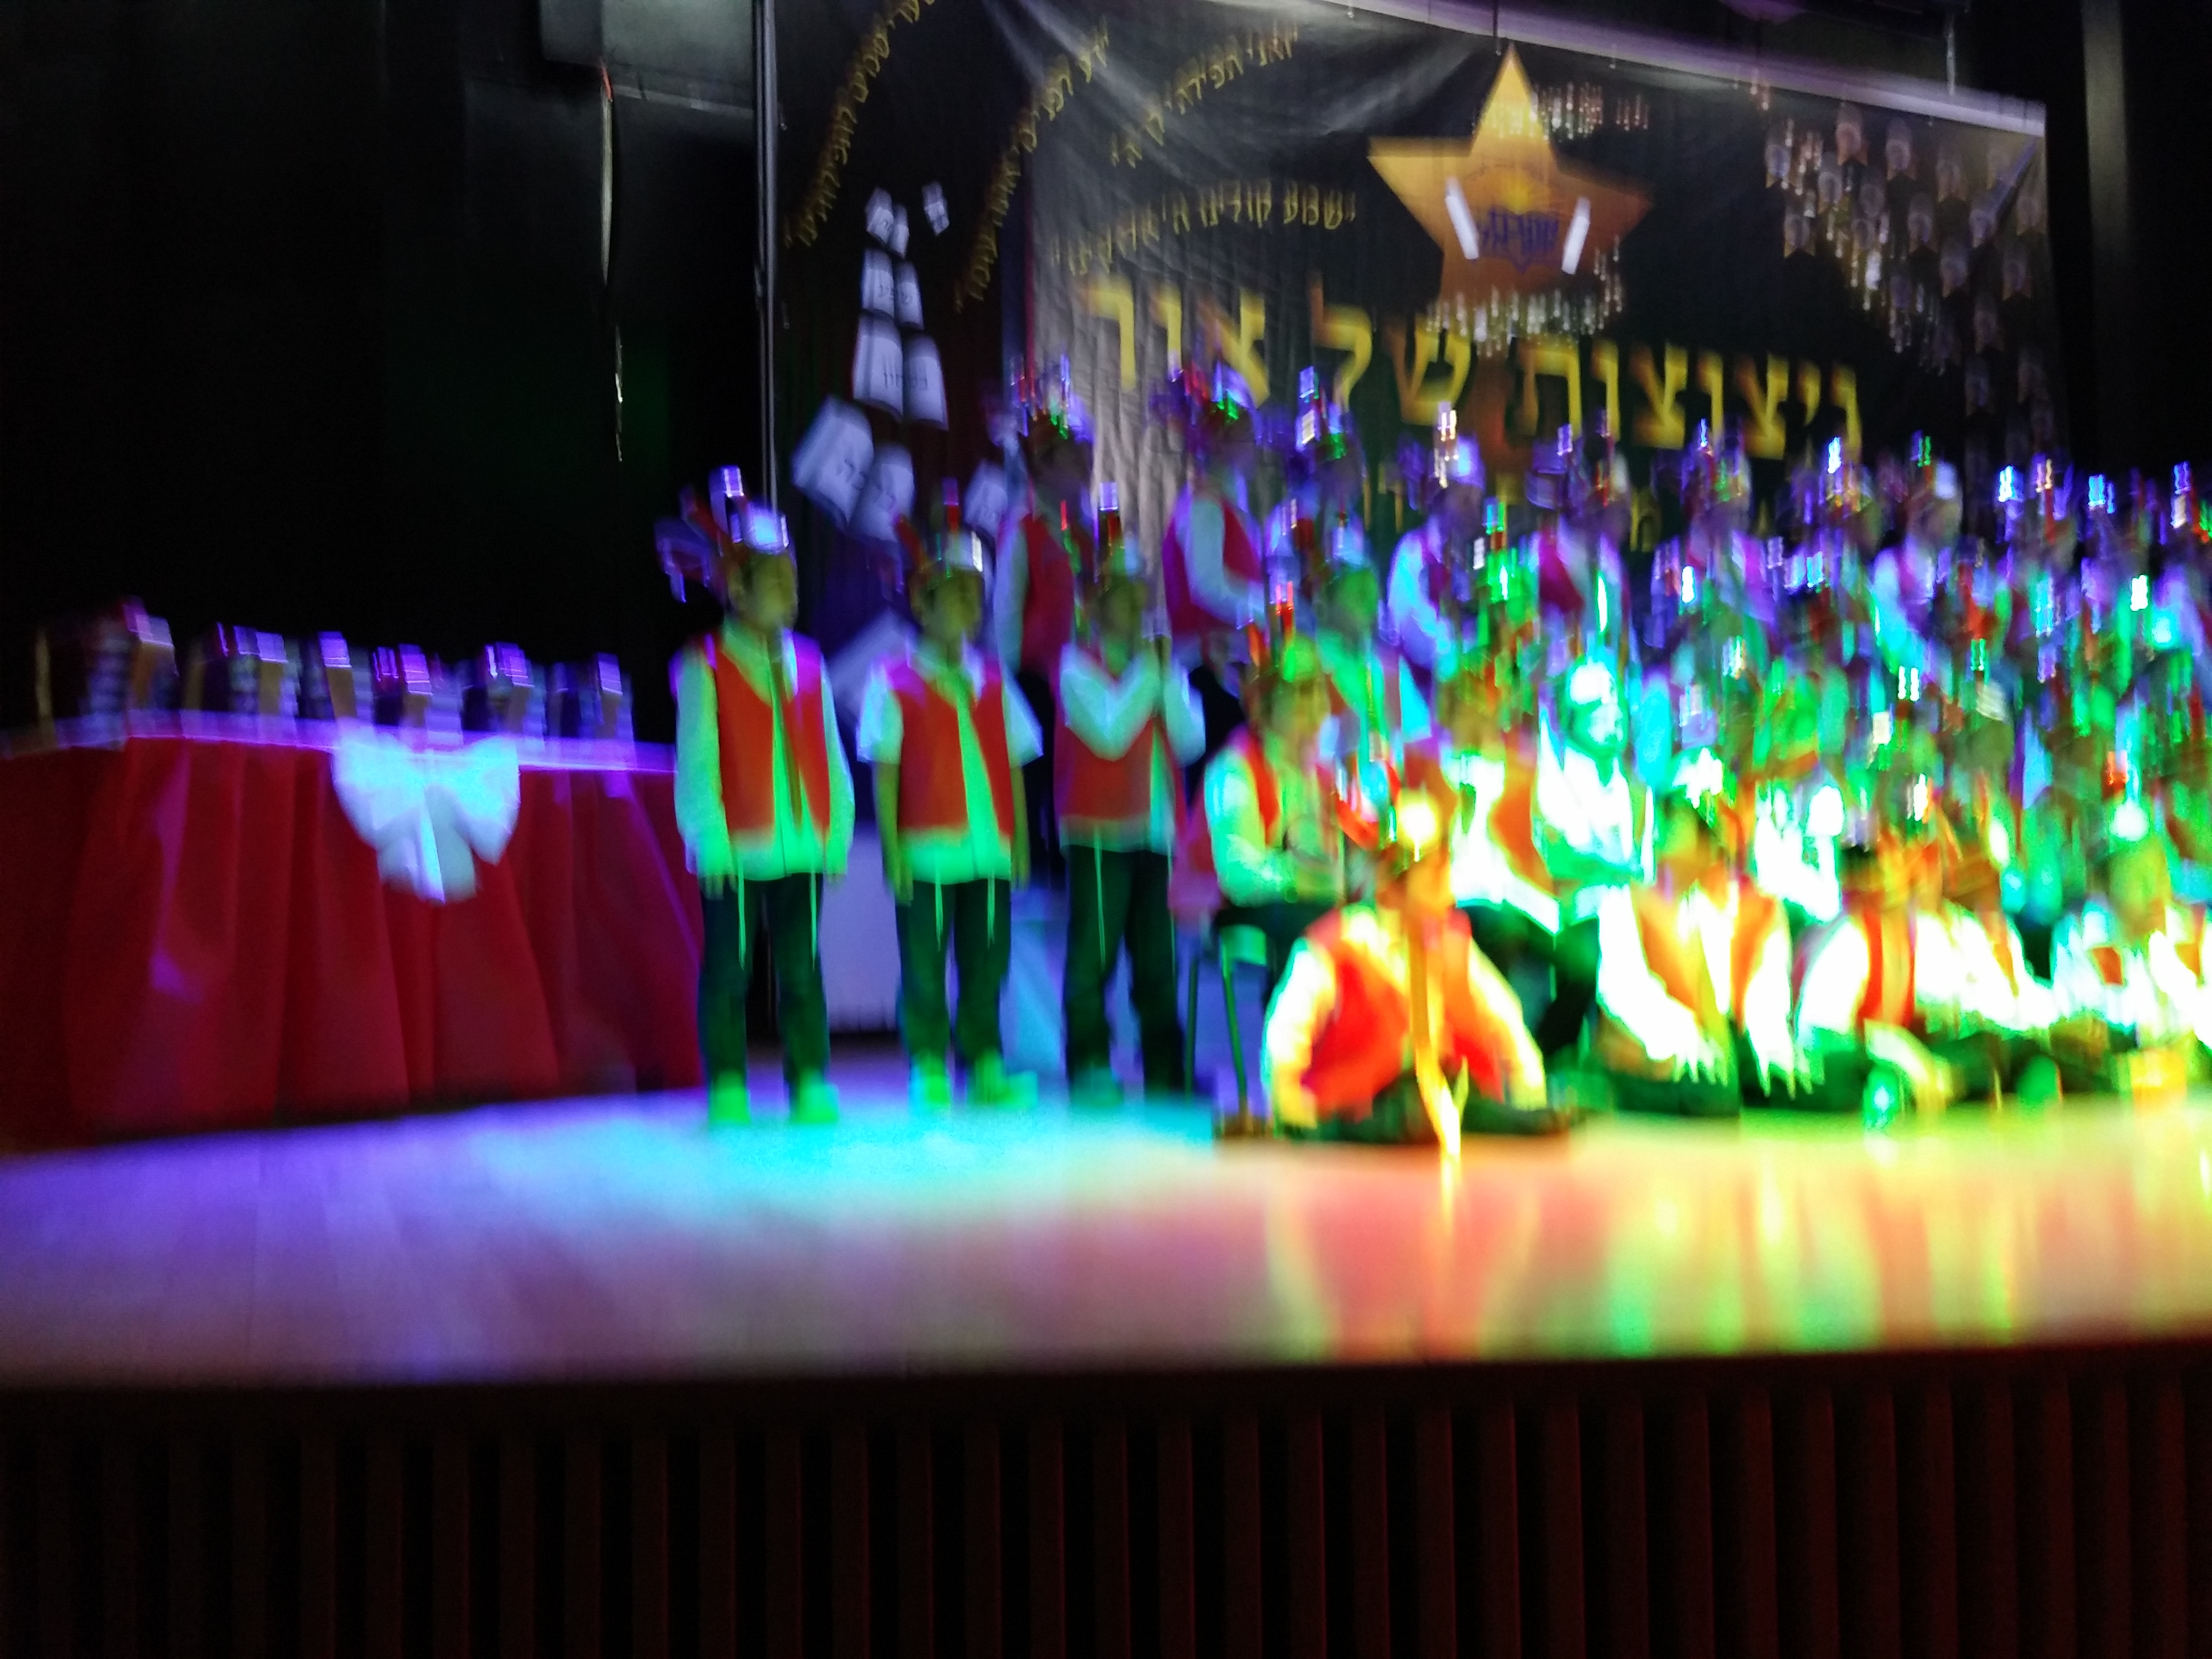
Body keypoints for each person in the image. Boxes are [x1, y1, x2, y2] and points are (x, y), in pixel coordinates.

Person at [857, 491, 1045, 1109]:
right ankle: (928, 1061)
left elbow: (1015, 766)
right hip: (926, 851)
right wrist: (893, 850)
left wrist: (1018, 842)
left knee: (986, 960)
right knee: (925, 963)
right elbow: (885, 772)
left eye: (972, 595)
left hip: (988, 850)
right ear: (921, 603)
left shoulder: (993, 678)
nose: (965, 607)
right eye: (952, 595)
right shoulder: (893, 680)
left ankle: (984, 1060)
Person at [673, 493, 854, 1126]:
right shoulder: (705, 665)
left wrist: (835, 833)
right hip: (736, 848)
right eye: (772, 579)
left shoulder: (809, 662)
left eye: (789, 577)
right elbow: (697, 762)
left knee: (802, 970)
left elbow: (830, 753)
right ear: (737, 589)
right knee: (729, 969)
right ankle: (727, 1080)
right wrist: (709, 838)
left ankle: (809, 1078)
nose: (787, 589)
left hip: (802, 844)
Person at [1262, 765, 1563, 1145]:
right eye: (1433, 877)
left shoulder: (1453, 945)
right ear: (1389, 886)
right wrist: (1289, 1106)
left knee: (1466, 1107)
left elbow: (1506, 1020)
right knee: (1400, 1114)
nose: (1447, 891)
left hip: (1444, 1098)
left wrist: (1529, 1089)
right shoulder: (1337, 947)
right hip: (1361, 1110)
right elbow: (1286, 1036)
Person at [1055, 482, 1206, 1104]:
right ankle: (1089, 1060)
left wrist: (1165, 675)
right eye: (1120, 594)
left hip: (1156, 828)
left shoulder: (1159, 666)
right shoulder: (1076, 666)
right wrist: (1152, 671)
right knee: (1093, 953)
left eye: (1140, 592)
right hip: (1098, 830)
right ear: (1095, 603)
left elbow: (1190, 738)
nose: (1135, 604)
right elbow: (1111, 732)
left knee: (1157, 955)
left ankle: (1164, 1065)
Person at [1588, 750, 1808, 1116]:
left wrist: (1769, 1043)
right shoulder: (1626, 899)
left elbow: (1764, 994)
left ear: (1713, 843)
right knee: (1709, 1096)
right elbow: (1625, 991)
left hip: (1712, 1064)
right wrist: (1684, 1038)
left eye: (1677, 816)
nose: (1662, 825)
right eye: (1666, 811)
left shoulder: (1753, 910)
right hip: (1643, 1069)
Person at [1170, 625, 1347, 986]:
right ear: (1266, 705)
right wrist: (1300, 879)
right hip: (1235, 907)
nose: (1315, 706)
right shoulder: (1234, 770)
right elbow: (1238, 875)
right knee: (1309, 926)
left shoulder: (1323, 773)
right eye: (1300, 693)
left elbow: (1332, 859)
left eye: (1317, 690)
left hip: (1305, 900)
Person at [992, 364, 1094, 887]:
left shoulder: (1088, 530)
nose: (1084, 467)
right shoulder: (1024, 528)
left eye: (1086, 456)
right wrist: (1008, 678)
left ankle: (1071, 847)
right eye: (1073, 457)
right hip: (1034, 678)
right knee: (1037, 767)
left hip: (1082, 676)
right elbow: (1007, 610)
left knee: (1074, 767)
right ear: (1043, 464)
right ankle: (1034, 853)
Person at [1529, 656, 1646, 1059]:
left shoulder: (1635, 793)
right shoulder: (1553, 777)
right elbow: (1555, 858)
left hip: (1629, 923)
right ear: (1572, 718)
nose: (1611, 717)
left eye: (1615, 706)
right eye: (1597, 708)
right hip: (1572, 918)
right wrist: (1609, 869)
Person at [2050, 802, 2212, 1086]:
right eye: (2137, 875)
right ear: (2102, 883)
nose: (2154, 890)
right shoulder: (2081, 936)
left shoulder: (2195, 931)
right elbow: (2089, 1030)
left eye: (2159, 871)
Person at [1155, 362, 1265, 770]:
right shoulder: (1204, 506)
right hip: (1208, 668)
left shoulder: (1228, 505)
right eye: (1241, 433)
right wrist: (1266, 607)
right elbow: (1208, 584)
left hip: (1231, 665)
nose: (1251, 443)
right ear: (1217, 441)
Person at [1305, 509, 1429, 766]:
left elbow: (1421, 741)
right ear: (1325, 600)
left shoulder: (1390, 670)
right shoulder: (1309, 671)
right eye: (1355, 589)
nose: (1367, 601)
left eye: (1369, 588)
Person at [1388, 407, 1489, 674]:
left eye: (1476, 500)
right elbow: (1416, 637)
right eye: (1465, 499)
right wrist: (1467, 644)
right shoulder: (1413, 554)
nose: (1474, 510)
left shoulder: (1472, 558)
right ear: (1442, 499)